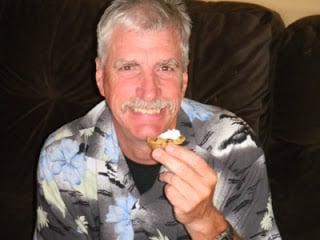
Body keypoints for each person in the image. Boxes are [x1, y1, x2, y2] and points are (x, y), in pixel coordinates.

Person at [33, 0, 281, 239]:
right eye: (129, 67)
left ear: (184, 78)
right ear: (100, 77)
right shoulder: (62, 156)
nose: (149, 92)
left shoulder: (233, 145)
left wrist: (205, 221)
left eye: (165, 68)